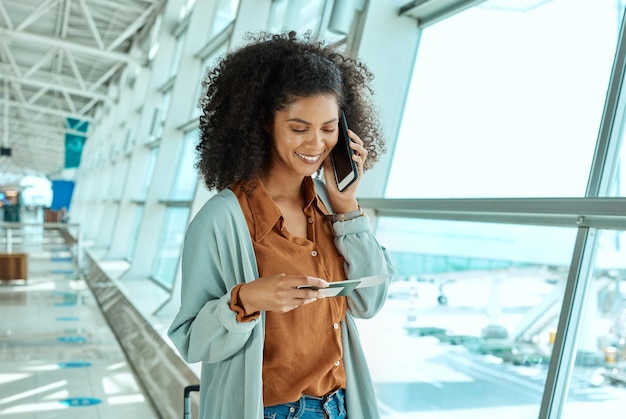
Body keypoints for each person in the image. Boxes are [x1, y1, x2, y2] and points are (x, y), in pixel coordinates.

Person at [167, 30, 394, 419]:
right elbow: (191, 340)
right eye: (298, 127)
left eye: (328, 128)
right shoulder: (222, 219)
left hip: (340, 405)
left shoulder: (332, 207)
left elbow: (368, 301)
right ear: (263, 124)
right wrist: (248, 300)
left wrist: (347, 206)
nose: (316, 144)